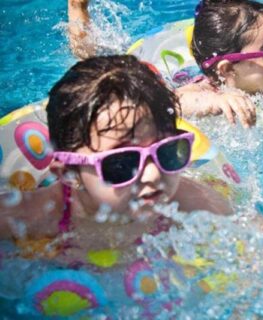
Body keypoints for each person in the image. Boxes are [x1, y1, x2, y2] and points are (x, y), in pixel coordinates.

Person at [0, 55, 232, 264]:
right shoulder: (30, 218)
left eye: (167, 151)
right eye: (122, 163)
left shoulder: (195, 203)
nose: (153, 174)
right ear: (68, 174)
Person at [67, 0, 263, 128]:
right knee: (97, 69)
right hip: (175, 77)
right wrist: (211, 104)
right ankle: (78, 7)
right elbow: (164, 108)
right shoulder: (203, 92)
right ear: (226, 69)